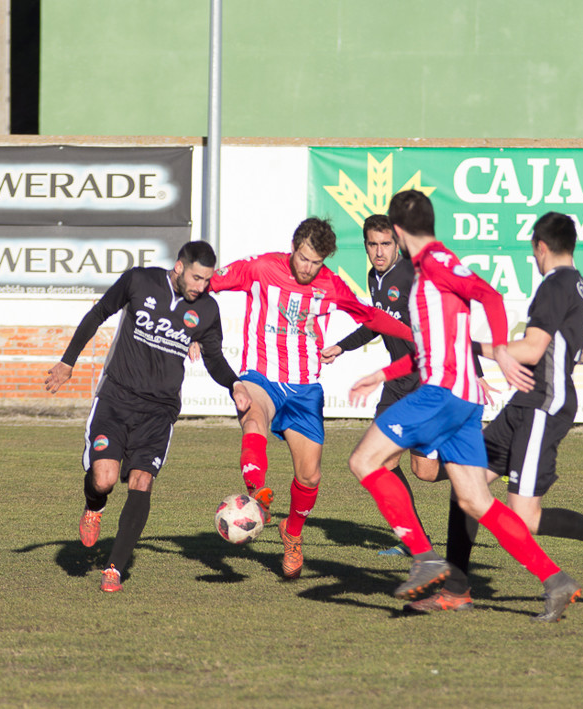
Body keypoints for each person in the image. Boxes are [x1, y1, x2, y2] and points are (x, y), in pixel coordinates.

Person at [347, 190, 583, 622]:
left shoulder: (435, 263)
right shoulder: (432, 268)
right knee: (475, 501)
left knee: (364, 461)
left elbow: (489, 297)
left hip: (442, 394)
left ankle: (424, 557)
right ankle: (554, 579)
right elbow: (433, 344)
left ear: (397, 234)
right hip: (465, 401)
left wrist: (501, 352)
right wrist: (383, 373)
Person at [408, 211, 583, 614]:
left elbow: (533, 349)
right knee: (466, 487)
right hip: (524, 404)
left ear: (540, 246)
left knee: (524, 515)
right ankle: (457, 589)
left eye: (532, 251)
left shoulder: (554, 284)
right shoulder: (580, 285)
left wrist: (469, 349)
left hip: (542, 406)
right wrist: (562, 356)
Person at [209, 217, 413, 579]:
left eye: (315, 262)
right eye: (303, 258)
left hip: (305, 389)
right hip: (262, 376)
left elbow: (370, 317)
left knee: (311, 476)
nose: (307, 268)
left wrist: (419, 339)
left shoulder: (330, 285)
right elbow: (206, 284)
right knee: (253, 418)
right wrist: (195, 328)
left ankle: (293, 534)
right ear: (293, 248)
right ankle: (256, 495)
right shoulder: (260, 268)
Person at [44, 240, 250, 593]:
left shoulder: (208, 310)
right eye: (197, 278)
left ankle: (115, 568)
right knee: (104, 479)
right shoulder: (139, 281)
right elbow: (98, 314)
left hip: (159, 411)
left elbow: (214, 358)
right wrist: (68, 361)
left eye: (208, 280)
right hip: (116, 398)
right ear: (180, 267)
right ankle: (94, 506)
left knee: (142, 481)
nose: (202, 287)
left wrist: (234, 385)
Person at [320, 214, 443, 556]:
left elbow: (442, 325)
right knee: (385, 464)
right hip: (397, 382)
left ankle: (486, 465)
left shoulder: (411, 277)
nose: (378, 251)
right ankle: (415, 541)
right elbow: (377, 323)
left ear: (397, 244)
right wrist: (341, 346)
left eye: (385, 244)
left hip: (423, 382)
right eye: (372, 244)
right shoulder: (375, 277)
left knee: (425, 471)